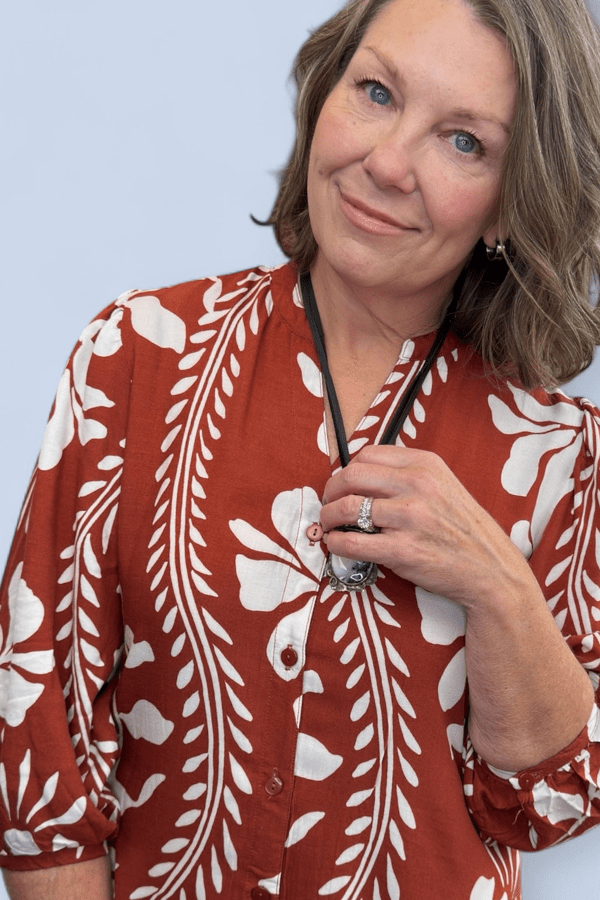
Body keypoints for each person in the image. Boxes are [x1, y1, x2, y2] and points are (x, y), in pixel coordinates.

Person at [1, 0, 600, 897]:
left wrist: (496, 585)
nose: (388, 163)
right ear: (326, 93)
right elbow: (38, 744)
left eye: (465, 141)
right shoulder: (136, 356)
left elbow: (547, 804)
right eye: (375, 92)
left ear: (514, 200)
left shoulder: (560, 456)